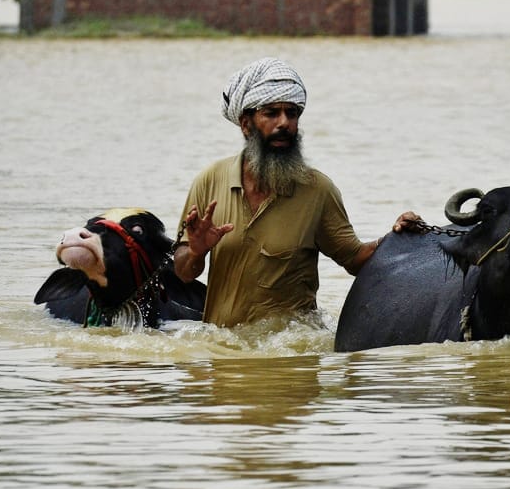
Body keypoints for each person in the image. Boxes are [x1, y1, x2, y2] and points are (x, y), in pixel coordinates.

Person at [173, 57, 421, 327]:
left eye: (292, 113)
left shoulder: (317, 190)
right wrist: (197, 251)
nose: (284, 123)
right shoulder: (209, 182)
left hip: (293, 356)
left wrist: (398, 239)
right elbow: (183, 274)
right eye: (271, 113)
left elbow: (357, 261)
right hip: (223, 355)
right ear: (246, 124)